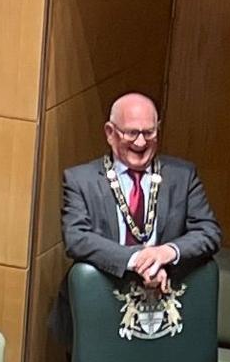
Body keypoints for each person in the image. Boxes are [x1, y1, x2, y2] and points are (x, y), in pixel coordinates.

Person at [57, 92, 220, 341]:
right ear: (110, 133)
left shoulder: (183, 176)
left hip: (165, 314)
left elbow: (209, 232)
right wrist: (139, 260)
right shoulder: (81, 180)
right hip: (98, 310)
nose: (141, 142)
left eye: (149, 132)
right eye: (131, 133)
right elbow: (76, 238)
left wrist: (165, 253)